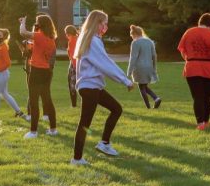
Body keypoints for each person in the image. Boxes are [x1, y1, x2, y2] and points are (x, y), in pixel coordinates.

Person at [71, 10, 134, 165]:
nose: (106, 26)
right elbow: (105, 63)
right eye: (104, 23)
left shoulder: (87, 39)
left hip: (92, 86)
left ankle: (104, 144)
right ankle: (77, 158)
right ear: (97, 23)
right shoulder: (93, 40)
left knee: (116, 109)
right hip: (90, 87)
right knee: (85, 124)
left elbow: (102, 62)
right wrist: (125, 80)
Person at [19, 14, 58, 138]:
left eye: (37, 22)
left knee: (34, 101)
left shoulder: (40, 36)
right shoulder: (51, 38)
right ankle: (53, 129)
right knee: (47, 100)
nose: (36, 24)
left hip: (36, 71)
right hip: (46, 71)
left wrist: (23, 22)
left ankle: (33, 132)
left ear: (41, 24)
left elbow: (23, 32)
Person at [0, 28, 26, 120]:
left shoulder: (3, 48)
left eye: (0, 35)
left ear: (4, 37)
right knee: (4, 94)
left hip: (2, 74)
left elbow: (8, 63)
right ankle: (19, 112)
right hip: (0, 74)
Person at [127, 25, 160, 109]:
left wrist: (129, 71)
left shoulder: (135, 42)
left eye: (131, 35)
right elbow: (154, 56)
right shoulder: (150, 42)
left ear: (134, 34)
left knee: (141, 87)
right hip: (149, 67)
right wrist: (154, 68)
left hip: (139, 67)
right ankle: (156, 99)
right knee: (144, 86)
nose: (132, 37)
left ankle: (148, 107)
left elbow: (133, 57)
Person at [64, 25, 79, 108]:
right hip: (77, 64)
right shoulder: (78, 39)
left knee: (72, 85)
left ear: (68, 33)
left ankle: (73, 104)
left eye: (66, 33)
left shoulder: (72, 40)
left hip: (74, 65)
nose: (66, 36)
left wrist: (75, 67)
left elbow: (73, 55)